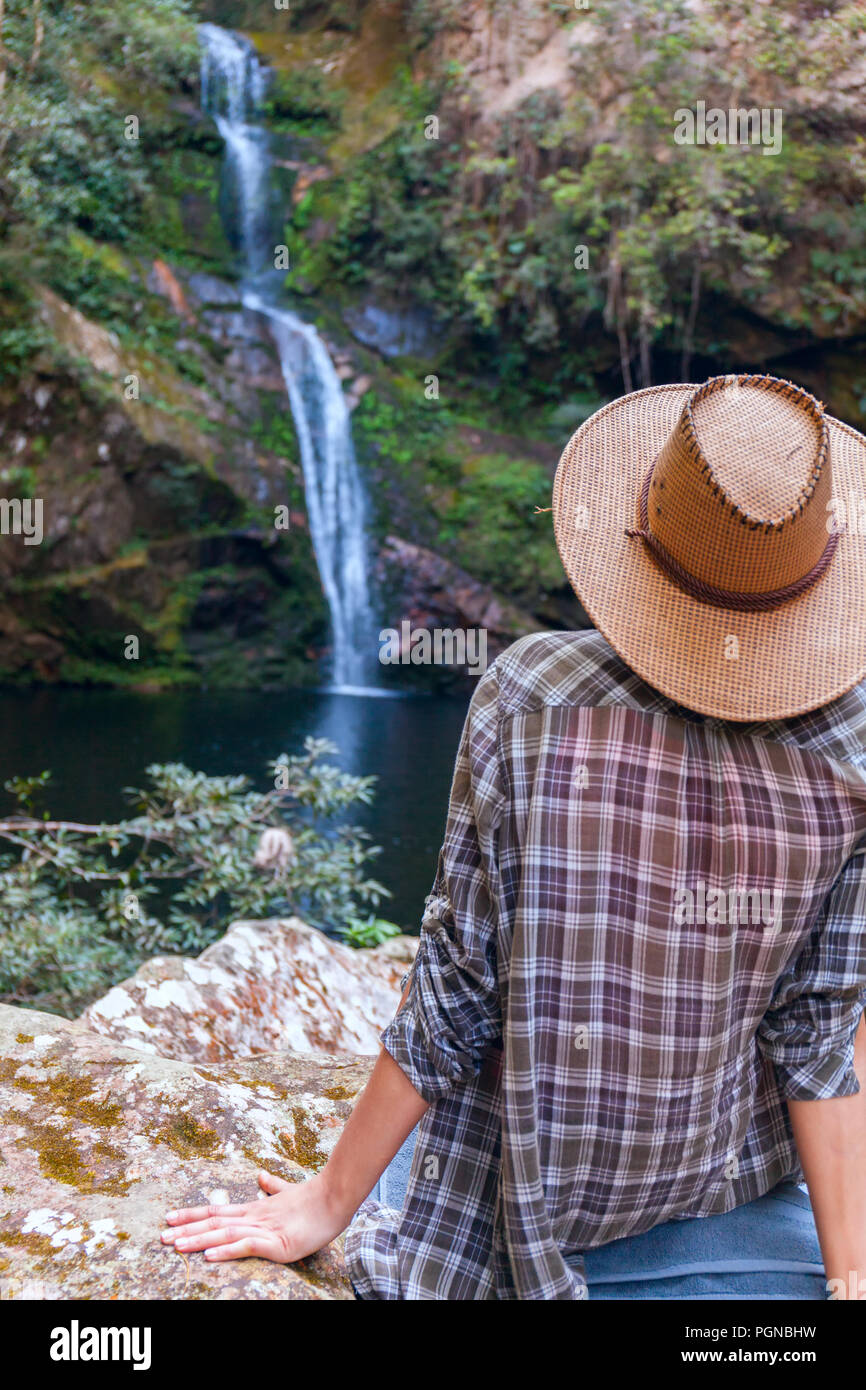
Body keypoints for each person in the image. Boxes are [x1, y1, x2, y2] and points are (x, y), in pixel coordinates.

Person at [162, 373, 866, 1300]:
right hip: (721, 1170)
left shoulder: (532, 695)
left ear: (640, 538)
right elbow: (818, 1026)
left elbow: (459, 986)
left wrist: (327, 1204)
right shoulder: (851, 745)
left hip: (537, 1201)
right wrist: (850, 1278)